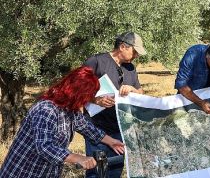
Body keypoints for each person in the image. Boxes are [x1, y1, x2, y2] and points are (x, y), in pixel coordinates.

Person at [0, 66, 125, 178]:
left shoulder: (70, 109)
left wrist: (112, 142)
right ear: (78, 94)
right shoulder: (46, 110)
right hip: (24, 171)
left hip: (47, 172)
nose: (92, 99)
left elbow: (87, 128)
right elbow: (45, 147)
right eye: (89, 96)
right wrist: (78, 158)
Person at [83, 31, 146, 178]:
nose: (136, 55)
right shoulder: (96, 62)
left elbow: (141, 93)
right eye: (135, 51)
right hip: (97, 129)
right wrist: (96, 100)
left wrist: (133, 90)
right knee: (97, 172)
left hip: (121, 129)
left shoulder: (130, 68)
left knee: (115, 170)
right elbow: (75, 90)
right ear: (123, 47)